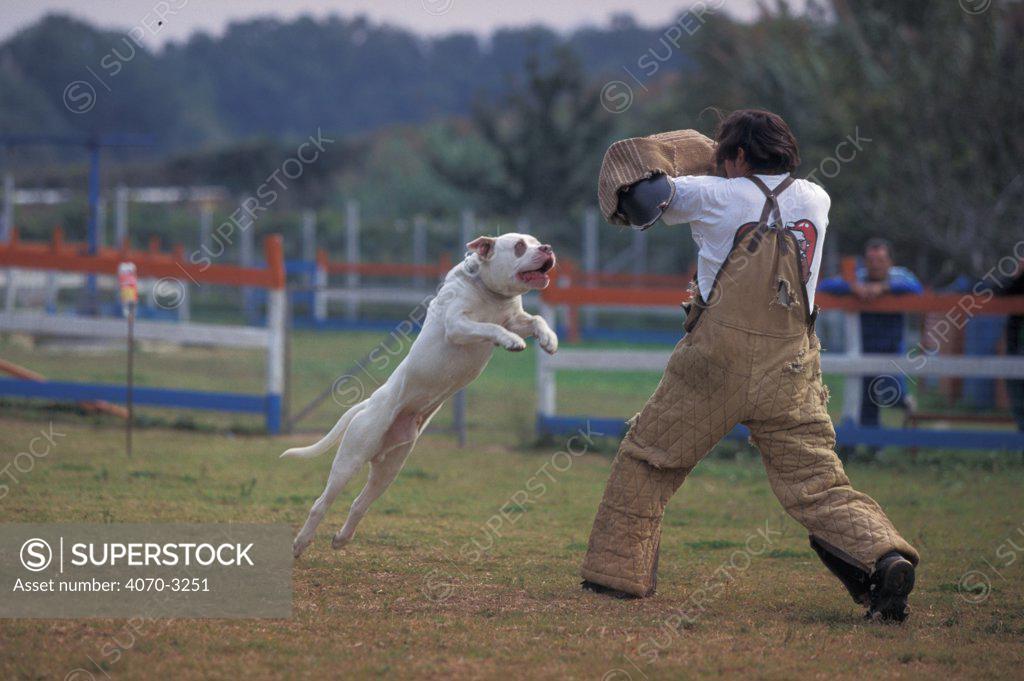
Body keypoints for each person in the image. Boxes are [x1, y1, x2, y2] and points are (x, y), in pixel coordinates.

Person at [581, 110, 919, 622]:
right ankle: (884, 557)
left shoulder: (710, 194)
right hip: (791, 369)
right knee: (820, 484)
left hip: (715, 364)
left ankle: (616, 576)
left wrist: (676, 149)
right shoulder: (817, 198)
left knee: (649, 460)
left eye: (725, 153)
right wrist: (718, 154)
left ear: (736, 157)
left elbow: (642, 197)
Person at [818, 239, 923, 430]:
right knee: (867, 403)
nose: (875, 265)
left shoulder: (899, 276)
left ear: (890, 262)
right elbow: (826, 286)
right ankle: (874, 449)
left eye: (880, 260)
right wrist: (852, 288)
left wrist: (884, 288)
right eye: (871, 260)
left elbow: (916, 288)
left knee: (893, 395)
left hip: (892, 351)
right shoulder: (858, 277)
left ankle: (906, 403)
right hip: (863, 349)